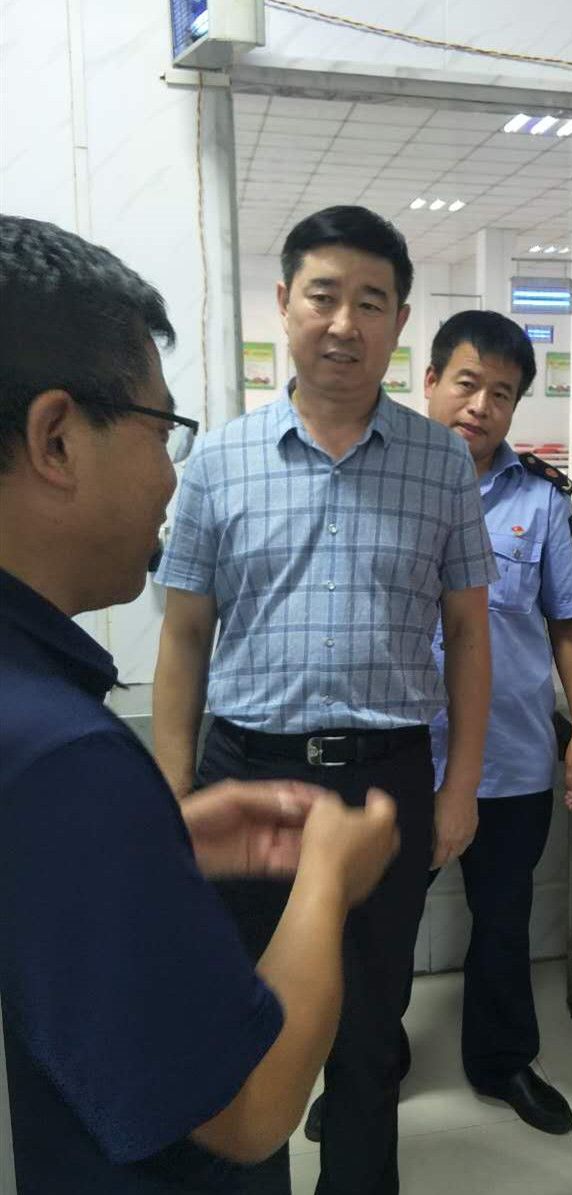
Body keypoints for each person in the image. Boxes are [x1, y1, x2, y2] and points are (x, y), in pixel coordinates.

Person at [0, 214, 399, 1193]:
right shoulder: (59, 752)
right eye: (158, 430)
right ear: (57, 438)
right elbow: (249, 1109)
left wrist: (154, 838)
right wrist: (325, 878)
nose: (169, 475)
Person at [151, 206, 496, 1195]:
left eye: (371, 302)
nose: (345, 323)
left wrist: (459, 786)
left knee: (369, 1026)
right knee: (242, 1020)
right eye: (324, 296)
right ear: (283, 304)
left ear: (399, 322)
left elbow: (470, 634)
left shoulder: (440, 462)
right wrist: (172, 796)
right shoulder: (219, 460)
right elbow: (183, 636)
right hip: (245, 777)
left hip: (385, 783)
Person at [425, 310, 572, 1130]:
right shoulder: (383, 483)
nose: (481, 405)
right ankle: (363, 1066)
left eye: (501, 393)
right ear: (430, 381)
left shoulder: (538, 500)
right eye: (467, 383)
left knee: (502, 921)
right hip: (404, 756)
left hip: (512, 755)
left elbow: (569, 624)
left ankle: (501, 1062)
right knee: (375, 926)